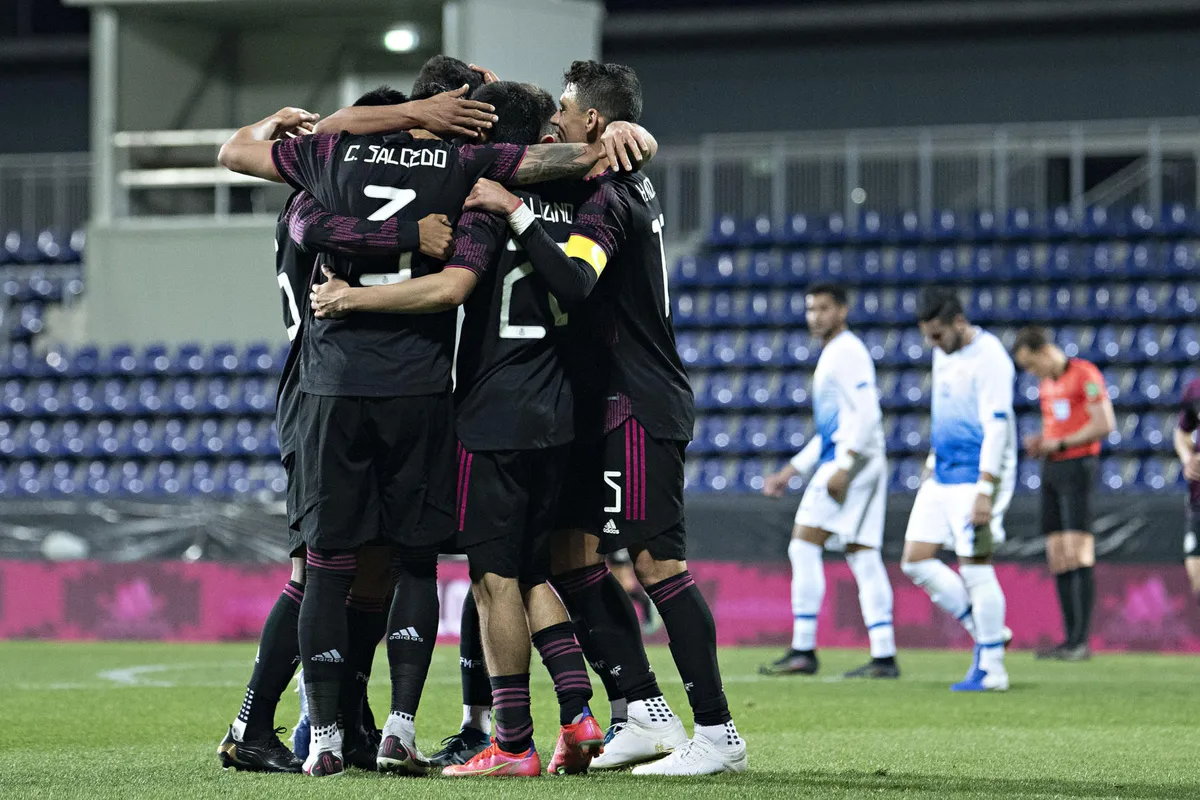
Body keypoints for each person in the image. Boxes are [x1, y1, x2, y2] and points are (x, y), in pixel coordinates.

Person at [308, 80, 611, 778]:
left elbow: (451, 288)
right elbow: (577, 276)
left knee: (492, 580)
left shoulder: (478, 198)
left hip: (488, 411)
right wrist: (626, 139)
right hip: (560, 412)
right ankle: (578, 709)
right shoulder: (599, 194)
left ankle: (510, 742)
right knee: (534, 571)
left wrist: (353, 294)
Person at [464, 60, 746, 776]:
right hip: (600, 405)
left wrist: (516, 212)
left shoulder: (610, 196)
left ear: (593, 120)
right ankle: (642, 709)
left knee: (658, 564)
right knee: (570, 555)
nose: (555, 120)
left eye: (565, 108)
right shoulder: (611, 173)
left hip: (638, 402)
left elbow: (577, 279)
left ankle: (716, 733)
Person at [216, 87, 455, 774]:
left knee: (359, 569)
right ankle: (257, 722)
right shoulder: (331, 205)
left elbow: (235, 150)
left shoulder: (307, 189)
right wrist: (413, 233)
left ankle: (344, 720)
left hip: (318, 382)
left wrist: (270, 119)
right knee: (319, 571)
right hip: (327, 383)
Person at [759, 283, 896, 679]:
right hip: (860, 460)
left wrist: (845, 464)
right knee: (863, 553)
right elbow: (833, 427)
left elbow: (868, 413)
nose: (814, 316)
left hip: (850, 462)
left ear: (842, 310)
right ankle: (884, 654)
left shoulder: (847, 352)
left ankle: (804, 648)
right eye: (810, 309)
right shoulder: (836, 353)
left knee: (803, 545)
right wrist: (792, 471)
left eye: (822, 308)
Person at [900, 288, 1016, 693]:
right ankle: (985, 629)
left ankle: (993, 669)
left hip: (975, 479)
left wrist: (986, 488)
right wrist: (932, 464)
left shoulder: (992, 358)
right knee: (915, 560)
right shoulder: (944, 353)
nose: (932, 345)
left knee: (976, 567)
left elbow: (998, 426)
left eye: (937, 335)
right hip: (943, 475)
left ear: (959, 323)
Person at [1012, 326, 1114, 661]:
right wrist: (1043, 443)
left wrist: (1062, 443)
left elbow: (1104, 424)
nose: (1031, 372)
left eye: (1031, 364)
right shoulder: (1046, 384)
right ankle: (1068, 639)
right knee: (1057, 552)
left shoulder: (1084, 374)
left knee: (1078, 550)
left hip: (1078, 465)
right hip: (1052, 467)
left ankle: (1081, 641)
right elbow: (1057, 426)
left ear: (1043, 351)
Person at [1173, 377, 1200, 607]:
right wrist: (1188, 459)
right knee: (1196, 576)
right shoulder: (1194, 388)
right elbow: (1182, 433)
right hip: (1198, 496)